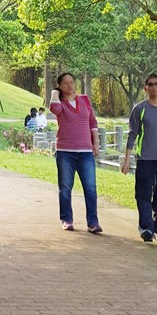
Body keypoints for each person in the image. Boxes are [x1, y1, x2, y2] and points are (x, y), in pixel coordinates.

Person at [121, 72, 157, 241]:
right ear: (145, 88)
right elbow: (132, 135)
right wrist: (127, 160)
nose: (154, 87)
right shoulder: (140, 109)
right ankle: (146, 227)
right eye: (150, 84)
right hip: (145, 159)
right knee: (143, 193)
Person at [48, 71, 103, 234]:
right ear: (60, 86)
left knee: (91, 188)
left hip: (85, 151)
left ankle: (93, 222)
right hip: (65, 152)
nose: (70, 85)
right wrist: (54, 93)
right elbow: (55, 110)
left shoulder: (84, 100)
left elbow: (92, 122)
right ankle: (66, 219)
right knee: (65, 187)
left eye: (72, 82)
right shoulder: (59, 102)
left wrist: (96, 143)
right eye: (65, 83)